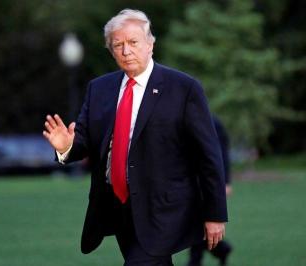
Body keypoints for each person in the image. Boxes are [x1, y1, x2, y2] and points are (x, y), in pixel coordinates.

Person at [43, 9, 227, 266]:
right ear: (111, 51)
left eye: (133, 42)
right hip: (117, 206)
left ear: (150, 44)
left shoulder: (183, 89)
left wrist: (215, 213)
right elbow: (85, 141)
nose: (126, 50)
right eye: (118, 45)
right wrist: (67, 147)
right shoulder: (100, 89)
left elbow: (209, 156)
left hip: (163, 209)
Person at [187, 116, 233, 266]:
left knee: (198, 222)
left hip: (207, 183)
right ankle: (221, 249)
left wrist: (225, 182)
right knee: (194, 223)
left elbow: (221, 156)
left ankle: (195, 260)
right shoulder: (186, 121)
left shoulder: (214, 123)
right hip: (190, 183)